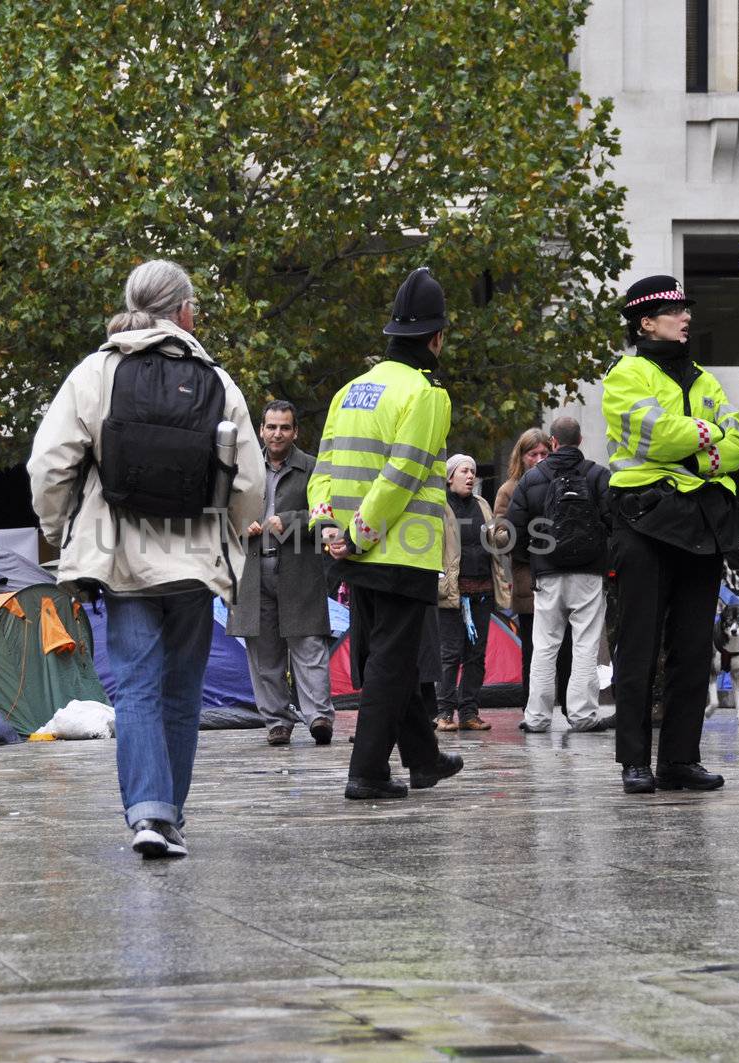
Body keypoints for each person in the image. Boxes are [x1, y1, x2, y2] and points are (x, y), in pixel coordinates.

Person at [30, 260, 263, 856]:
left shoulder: (96, 372)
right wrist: (229, 540)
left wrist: (62, 535)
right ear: (184, 312)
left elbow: (49, 465)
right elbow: (250, 481)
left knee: (134, 691)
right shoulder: (216, 380)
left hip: (120, 559)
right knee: (183, 693)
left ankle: (147, 815)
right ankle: (170, 817)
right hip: (193, 562)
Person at [309, 267, 463, 799]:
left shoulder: (350, 391)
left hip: (351, 550)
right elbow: (402, 475)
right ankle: (368, 771)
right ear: (436, 338)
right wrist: (361, 534)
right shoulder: (427, 394)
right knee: (392, 667)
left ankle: (423, 759)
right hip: (398, 551)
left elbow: (323, 472)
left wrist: (330, 527)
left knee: (381, 659)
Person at [602, 275, 739, 795]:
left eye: (686, 310)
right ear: (646, 321)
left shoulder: (705, 379)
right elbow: (655, 434)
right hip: (643, 521)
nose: (686, 317)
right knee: (638, 646)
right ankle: (634, 761)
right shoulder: (627, 375)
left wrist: (695, 443)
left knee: (692, 648)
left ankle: (680, 759)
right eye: (675, 310)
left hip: (701, 524)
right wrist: (708, 440)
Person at [227, 400, 336, 747]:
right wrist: (243, 524)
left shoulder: (313, 468)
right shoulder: (242, 469)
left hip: (299, 568)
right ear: (261, 430)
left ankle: (319, 717)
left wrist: (288, 522)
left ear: (295, 431)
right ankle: (277, 721)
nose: (278, 433)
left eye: (285, 427)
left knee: (309, 645)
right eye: (271, 427)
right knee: (263, 653)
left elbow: (329, 519)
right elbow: (220, 514)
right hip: (253, 570)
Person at [506, 416, 613, 734]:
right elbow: (614, 522)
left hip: (548, 575)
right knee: (585, 644)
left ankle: (537, 717)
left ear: (552, 443)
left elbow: (514, 529)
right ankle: (582, 715)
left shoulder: (531, 479)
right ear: (580, 441)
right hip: (589, 574)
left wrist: (536, 557)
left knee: (544, 644)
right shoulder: (597, 475)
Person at [434, 453, 509, 732]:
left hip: (482, 591)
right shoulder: (439, 506)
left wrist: (505, 534)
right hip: (451, 593)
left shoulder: (482, 505)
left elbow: (494, 538)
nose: (470, 477)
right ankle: (444, 712)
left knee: (476, 655)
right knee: (450, 654)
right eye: (464, 471)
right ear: (450, 476)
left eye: (473, 472)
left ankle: (469, 712)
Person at [494, 427, 552, 708]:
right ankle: (532, 701)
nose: (539, 459)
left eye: (544, 453)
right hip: (527, 574)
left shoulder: (558, 482)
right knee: (531, 645)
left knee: (560, 644)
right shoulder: (509, 489)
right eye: (533, 454)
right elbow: (498, 534)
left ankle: (559, 699)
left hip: (556, 573)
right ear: (522, 457)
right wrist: (512, 534)